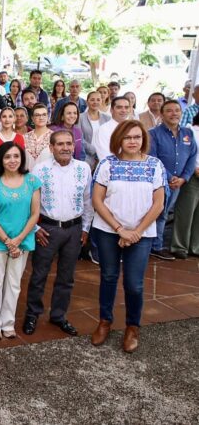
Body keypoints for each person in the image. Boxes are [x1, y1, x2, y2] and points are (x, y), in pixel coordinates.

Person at [90, 120, 166, 353]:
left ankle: (133, 326)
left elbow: (159, 204)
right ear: (119, 140)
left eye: (137, 137)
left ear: (143, 139)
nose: (133, 141)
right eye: (128, 137)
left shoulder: (154, 165)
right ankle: (105, 321)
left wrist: (136, 232)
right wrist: (120, 229)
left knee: (134, 283)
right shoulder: (107, 164)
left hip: (141, 234)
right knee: (109, 276)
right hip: (108, 231)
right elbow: (97, 200)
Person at [23, 130, 92, 337]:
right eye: (60, 144)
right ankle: (32, 314)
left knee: (66, 277)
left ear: (74, 146)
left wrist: (86, 228)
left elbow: (88, 201)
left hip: (74, 229)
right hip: (48, 229)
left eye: (68, 144)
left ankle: (59, 316)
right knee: (39, 275)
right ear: (51, 148)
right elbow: (29, 202)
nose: (65, 148)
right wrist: (35, 228)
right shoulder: (40, 170)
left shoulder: (84, 168)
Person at [0, 141, 41, 340]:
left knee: (14, 284)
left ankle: (8, 323)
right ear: (1, 159)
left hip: (22, 240)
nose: (12, 160)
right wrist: (9, 242)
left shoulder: (32, 181)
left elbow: (34, 215)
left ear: (22, 158)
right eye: (7, 157)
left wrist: (18, 240)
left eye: (16, 156)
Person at [148, 100, 197, 260]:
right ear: (162, 115)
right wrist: (169, 177)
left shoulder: (188, 134)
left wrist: (184, 178)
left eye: (177, 110)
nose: (174, 113)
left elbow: (192, 157)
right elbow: (152, 157)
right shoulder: (153, 134)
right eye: (169, 111)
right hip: (158, 182)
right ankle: (150, 245)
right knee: (155, 212)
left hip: (177, 184)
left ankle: (156, 246)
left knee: (165, 213)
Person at [171, 115, 199, 258]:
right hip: (192, 176)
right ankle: (179, 246)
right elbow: (189, 154)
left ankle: (196, 247)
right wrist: (194, 169)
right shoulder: (191, 131)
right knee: (186, 212)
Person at [94, 96, 132, 163]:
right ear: (111, 110)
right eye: (119, 107)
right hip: (112, 169)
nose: (123, 110)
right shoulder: (103, 130)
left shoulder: (134, 129)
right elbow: (105, 157)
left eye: (126, 107)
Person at [79, 91, 111, 168]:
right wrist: (94, 151)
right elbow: (79, 138)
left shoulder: (107, 118)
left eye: (98, 100)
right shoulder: (80, 118)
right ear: (87, 102)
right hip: (86, 156)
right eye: (92, 100)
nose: (95, 102)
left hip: (104, 155)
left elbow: (110, 137)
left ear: (101, 101)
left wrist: (102, 151)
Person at [24, 103, 52, 169]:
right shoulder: (24, 137)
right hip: (27, 176)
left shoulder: (54, 137)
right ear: (32, 118)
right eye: (37, 115)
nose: (41, 117)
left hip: (47, 176)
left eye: (44, 114)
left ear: (48, 117)